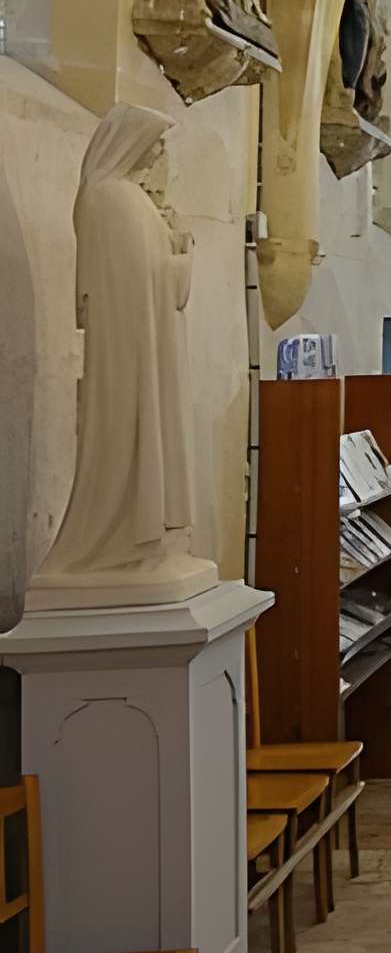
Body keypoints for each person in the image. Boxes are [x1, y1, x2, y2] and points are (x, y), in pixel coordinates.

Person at [30, 106, 216, 603]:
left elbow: (148, 273)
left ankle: (148, 540)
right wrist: (183, 256)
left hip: (146, 349)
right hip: (130, 355)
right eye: (154, 145)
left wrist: (172, 243)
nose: (159, 156)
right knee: (128, 441)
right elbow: (144, 280)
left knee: (149, 436)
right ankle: (123, 541)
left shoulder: (125, 199)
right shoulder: (112, 199)